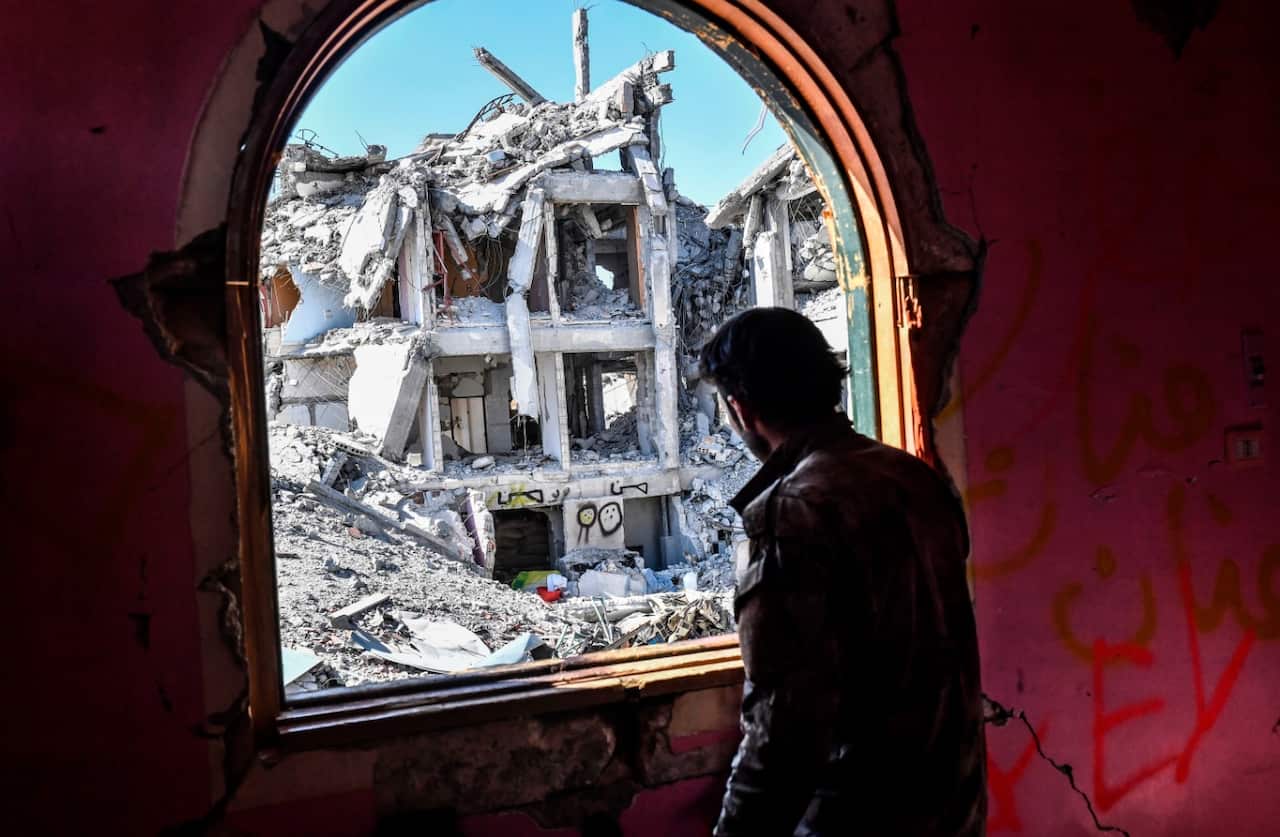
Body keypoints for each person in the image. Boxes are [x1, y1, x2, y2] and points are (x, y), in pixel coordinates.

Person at [701, 308, 986, 836]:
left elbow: (785, 725)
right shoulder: (912, 476)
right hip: (953, 802)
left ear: (741, 408)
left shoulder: (794, 510)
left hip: (863, 814)